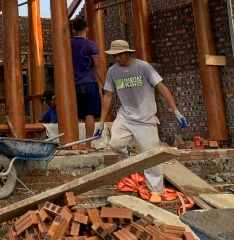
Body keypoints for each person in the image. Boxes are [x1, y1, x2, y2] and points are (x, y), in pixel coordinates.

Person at [94, 40, 187, 205]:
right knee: (115, 143)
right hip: (125, 116)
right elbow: (108, 95)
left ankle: (155, 191)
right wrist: (101, 121)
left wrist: (176, 111)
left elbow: (162, 88)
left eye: (120, 54)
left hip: (146, 118)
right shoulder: (113, 71)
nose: (117, 58)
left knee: (152, 156)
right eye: (114, 55)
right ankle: (130, 160)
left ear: (128, 53)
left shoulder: (143, 67)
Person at [71, 18, 107, 151]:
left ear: (73, 30)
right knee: (89, 114)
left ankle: (73, 144)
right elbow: (98, 66)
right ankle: (88, 145)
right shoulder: (91, 45)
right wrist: (104, 83)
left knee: (72, 113)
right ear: (87, 29)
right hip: (88, 82)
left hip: (72, 84)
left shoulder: (67, 44)